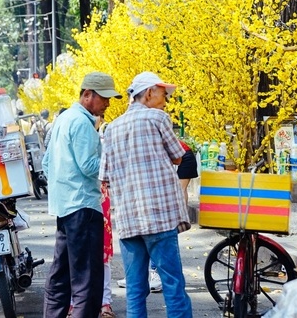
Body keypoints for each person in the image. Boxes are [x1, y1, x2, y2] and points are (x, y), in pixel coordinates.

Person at [100, 71, 193, 318]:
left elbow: (105, 175)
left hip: (129, 220)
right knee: (173, 285)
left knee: (135, 290)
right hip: (159, 216)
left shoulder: (111, 128)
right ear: (149, 92)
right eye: (164, 94)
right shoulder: (158, 118)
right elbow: (177, 156)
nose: (166, 100)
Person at [42, 72, 122, 318]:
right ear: (87, 95)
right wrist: (117, 166)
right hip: (84, 207)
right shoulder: (83, 122)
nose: (108, 103)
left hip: (64, 206)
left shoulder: (63, 119)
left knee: (61, 277)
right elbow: (89, 165)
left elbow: (47, 163)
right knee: (87, 282)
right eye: (104, 98)